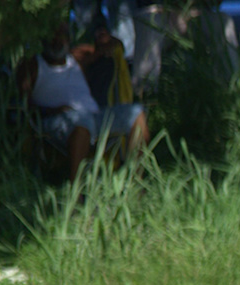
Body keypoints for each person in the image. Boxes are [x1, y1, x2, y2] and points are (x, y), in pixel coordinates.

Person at [18, 23, 150, 182]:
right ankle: (77, 190)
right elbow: (25, 105)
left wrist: (106, 40)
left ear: (68, 39)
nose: (58, 41)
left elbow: (115, 46)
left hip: (94, 116)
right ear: (44, 39)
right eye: (53, 37)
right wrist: (51, 111)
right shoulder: (33, 65)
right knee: (82, 123)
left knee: (136, 113)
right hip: (59, 119)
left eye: (62, 36)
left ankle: (137, 181)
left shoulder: (76, 58)